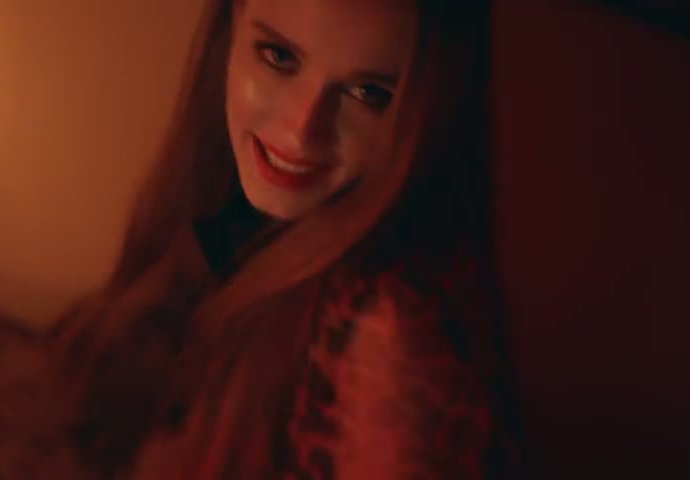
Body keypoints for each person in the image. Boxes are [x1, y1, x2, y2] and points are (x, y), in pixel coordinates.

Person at [55, 0, 520, 478]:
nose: (302, 132)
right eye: (279, 57)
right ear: (229, 34)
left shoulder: (387, 331)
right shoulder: (220, 218)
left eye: (369, 93)